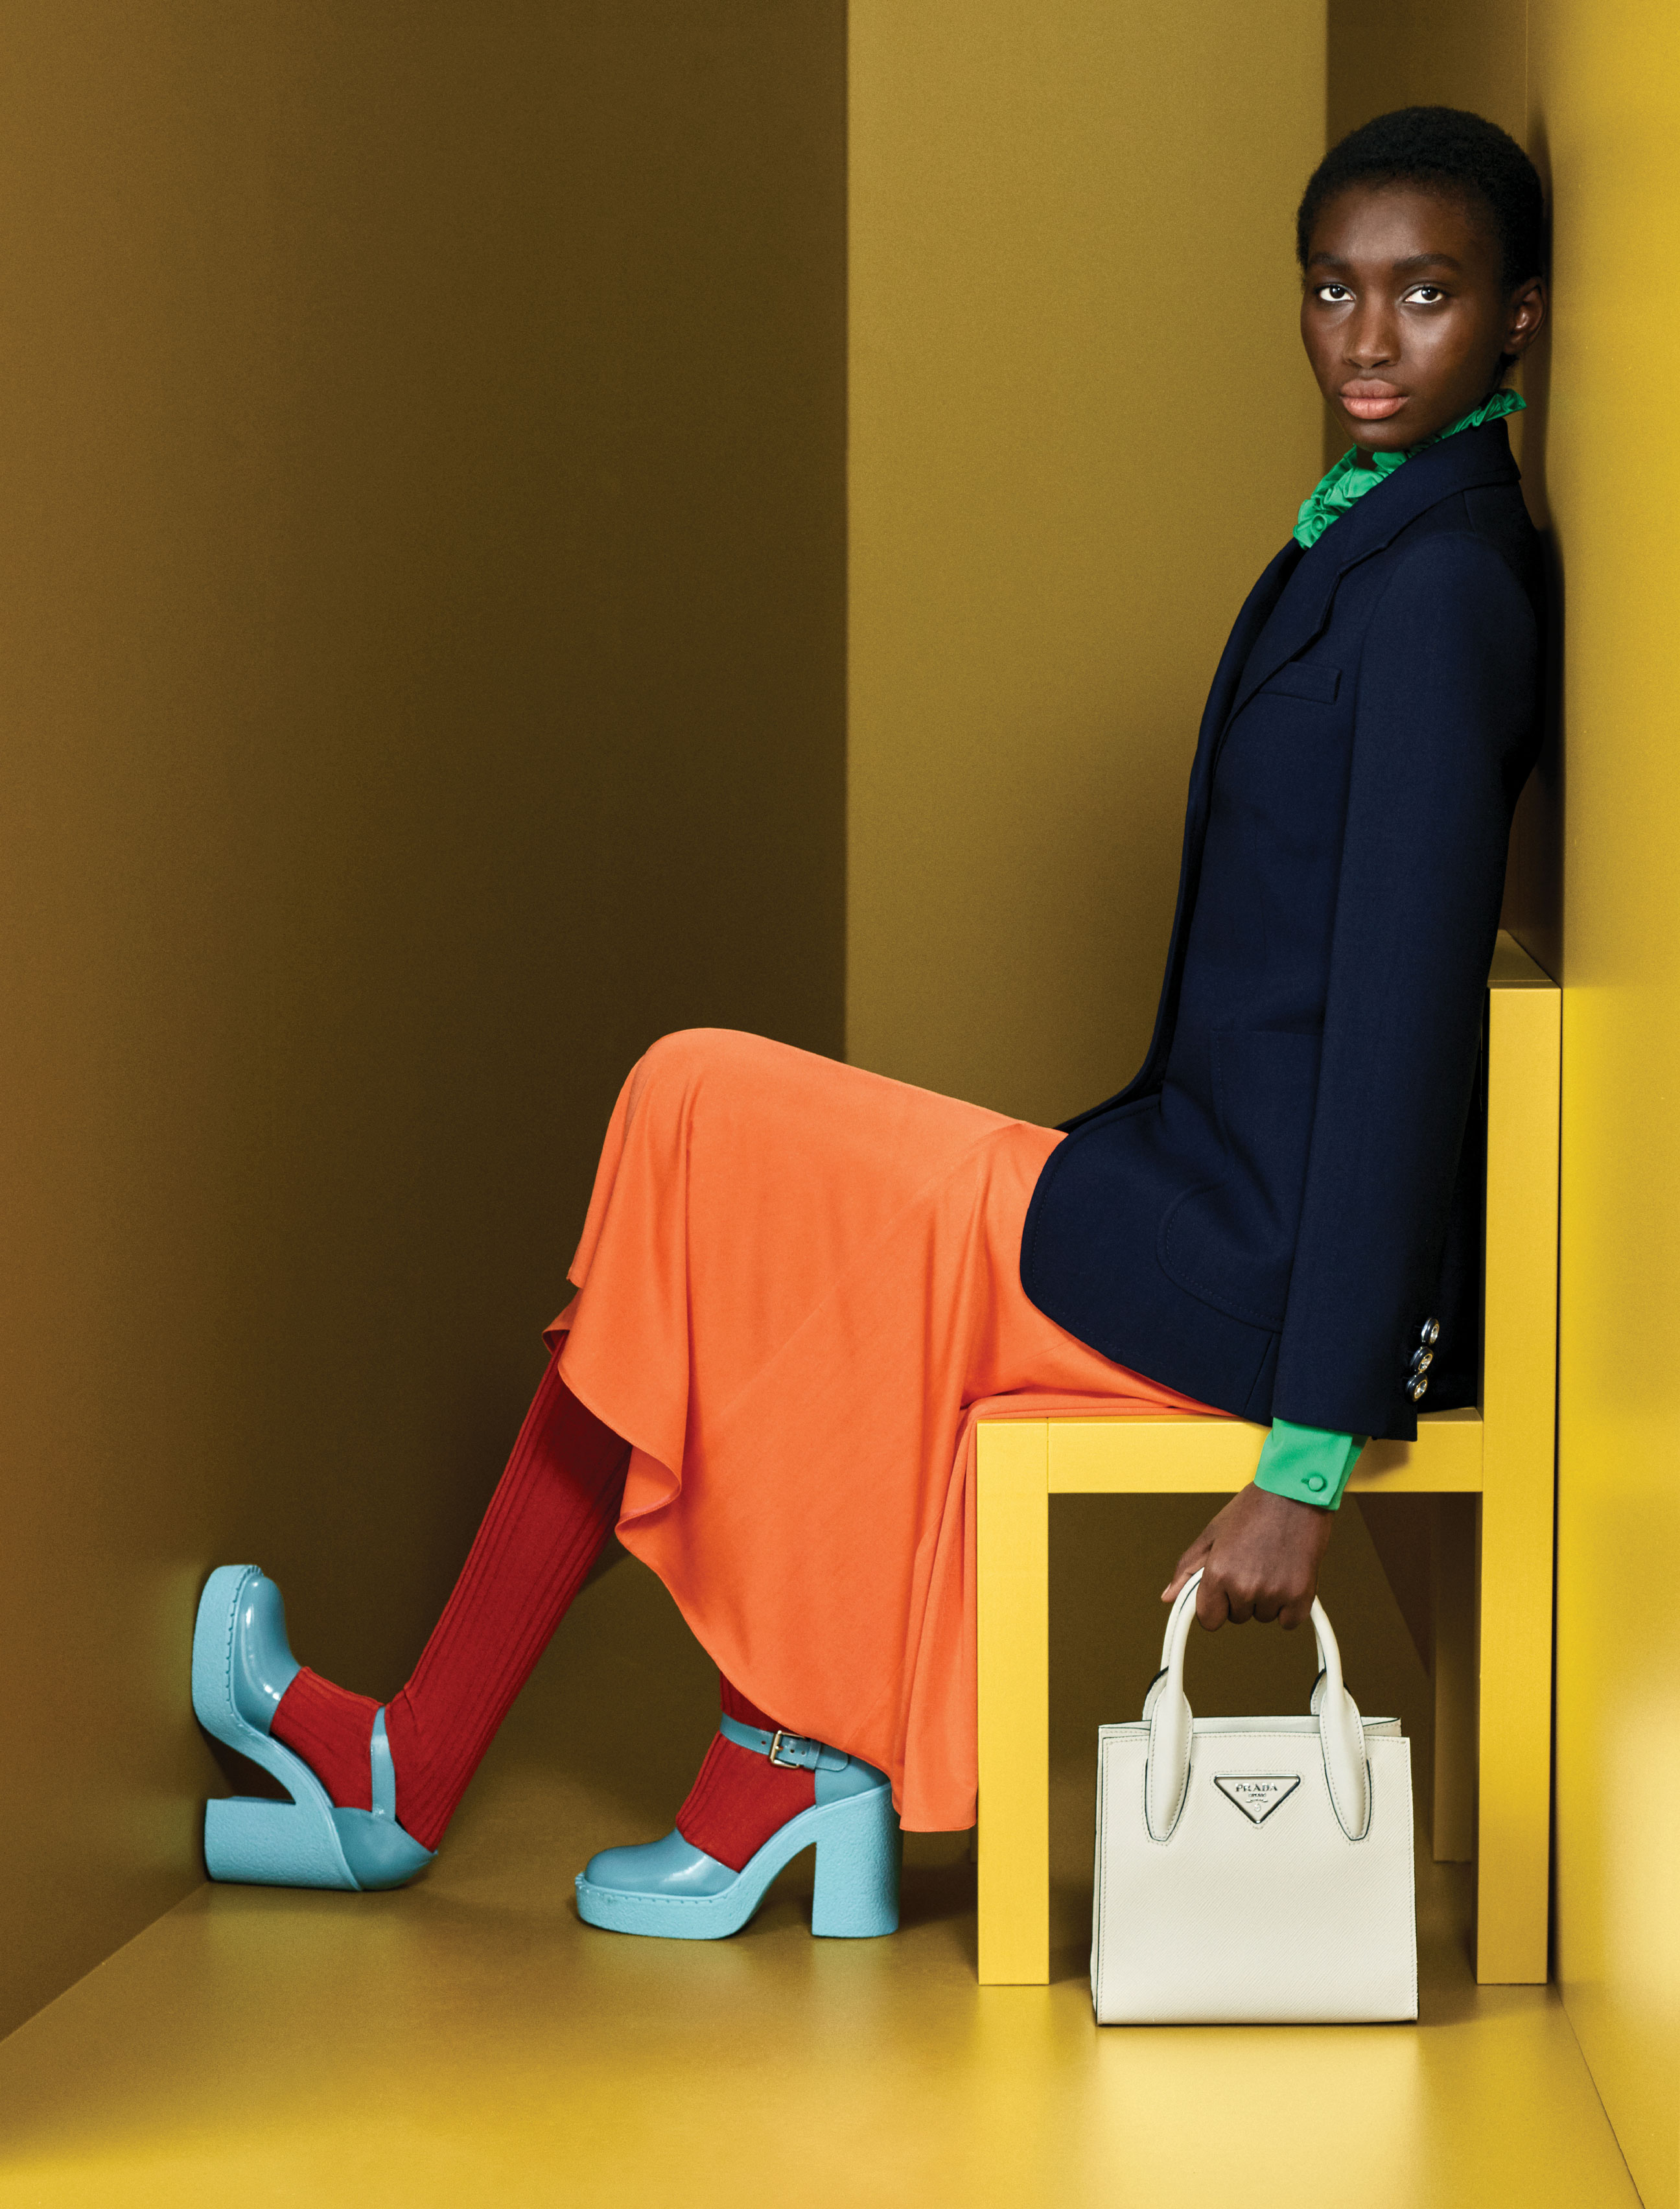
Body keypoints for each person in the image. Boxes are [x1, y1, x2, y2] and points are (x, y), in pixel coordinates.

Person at [192, 106, 1548, 1938]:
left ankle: (536, 1762)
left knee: (695, 1112)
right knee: (704, 1194)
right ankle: (626, 1757)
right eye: (1333, 291)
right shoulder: (1384, 540)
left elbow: (1401, 1036)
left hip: (1257, 1267)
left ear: (1517, 317)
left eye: (1426, 294)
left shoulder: (1448, 587)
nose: (1369, 341)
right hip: (1196, 1192)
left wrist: (1304, 1466)